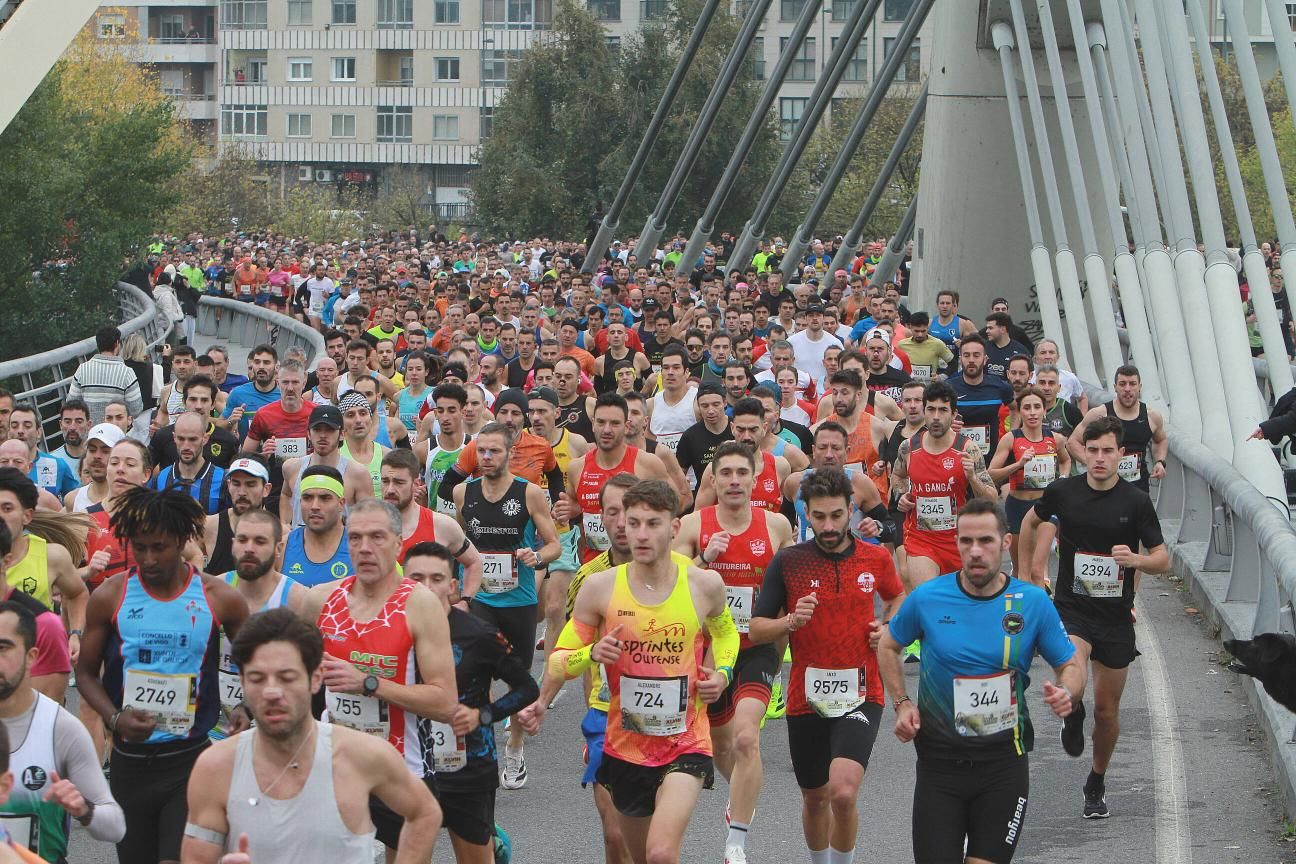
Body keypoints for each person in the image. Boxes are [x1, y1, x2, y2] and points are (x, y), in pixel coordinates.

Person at [524, 480, 736, 864]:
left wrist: (722, 672)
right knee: (636, 856)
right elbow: (559, 658)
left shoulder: (704, 585)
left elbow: (726, 634)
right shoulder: (599, 588)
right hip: (626, 744)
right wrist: (591, 653)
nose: (640, 533)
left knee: (660, 853)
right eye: (633, 522)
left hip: (686, 739)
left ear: (674, 528)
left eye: (652, 523)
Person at [879, 498, 1086, 864]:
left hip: (1003, 767)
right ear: (956, 542)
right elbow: (889, 645)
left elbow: (1070, 664)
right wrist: (902, 702)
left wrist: (1067, 691)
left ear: (1005, 542)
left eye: (986, 541)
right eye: (966, 541)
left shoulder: (1032, 602)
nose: (975, 551)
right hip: (939, 766)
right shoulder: (928, 598)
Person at [181, 607, 442, 864]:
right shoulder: (215, 768)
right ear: (243, 681)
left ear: (316, 678)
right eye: (258, 678)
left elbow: (424, 813)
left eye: (287, 677)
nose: (272, 691)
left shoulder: (362, 755)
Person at [75, 486, 248, 864]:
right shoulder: (110, 596)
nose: (149, 558)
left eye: (160, 547)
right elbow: (86, 674)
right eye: (140, 547)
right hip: (129, 762)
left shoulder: (219, 597)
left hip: (189, 760)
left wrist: (246, 705)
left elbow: (258, 660)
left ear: (183, 541)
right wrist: (115, 718)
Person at [749, 467, 904, 864]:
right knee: (816, 798)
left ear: (851, 509)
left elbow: (898, 598)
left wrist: (886, 627)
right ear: (806, 514)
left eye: (837, 515)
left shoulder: (875, 557)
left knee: (844, 791)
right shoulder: (788, 562)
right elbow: (756, 628)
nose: (829, 525)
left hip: (862, 690)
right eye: (819, 517)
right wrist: (788, 622)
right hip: (807, 697)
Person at [1018, 416, 1169, 819]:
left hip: (1116, 617)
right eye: (1093, 450)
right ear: (1082, 451)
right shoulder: (1063, 492)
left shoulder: (1135, 501)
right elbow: (1031, 521)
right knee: (1074, 665)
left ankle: (1096, 780)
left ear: (1122, 454)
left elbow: (1162, 559)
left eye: (1108, 451)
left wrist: (1136, 559)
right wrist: (1026, 573)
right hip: (1073, 608)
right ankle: (1071, 704)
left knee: (1107, 711)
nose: (1099, 459)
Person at [299, 497, 457, 861]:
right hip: (335, 763)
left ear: (399, 544)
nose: (365, 548)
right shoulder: (320, 600)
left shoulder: (420, 605)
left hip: (402, 768)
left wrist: (368, 683)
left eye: (377, 537)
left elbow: (445, 702)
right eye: (355, 538)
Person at [673, 443, 794, 864]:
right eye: (725, 473)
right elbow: (669, 581)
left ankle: (736, 842)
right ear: (713, 479)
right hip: (708, 654)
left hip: (756, 650)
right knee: (722, 749)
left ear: (756, 475)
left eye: (743, 472)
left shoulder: (776, 526)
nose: (735, 481)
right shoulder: (693, 524)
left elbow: (790, 589)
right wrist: (704, 558)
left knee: (747, 738)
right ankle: (739, 796)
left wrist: (783, 640)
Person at [404, 542, 539, 863]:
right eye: (416, 578)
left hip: (466, 768)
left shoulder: (479, 634)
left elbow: (526, 688)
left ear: (453, 587)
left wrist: (483, 715)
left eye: (436, 578)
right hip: (405, 767)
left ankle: (494, 846)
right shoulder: (391, 631)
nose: (425, 587)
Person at [453, 422, 561, 791]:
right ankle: (481, 743)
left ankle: (514, 745)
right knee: (474, 670)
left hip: (520, 601)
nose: (485, 458)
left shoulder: (529, 493)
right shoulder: (463, 493)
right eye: (481, 451)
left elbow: (554, 545)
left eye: (494, 451)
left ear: (508, 453)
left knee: (518, 676)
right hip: (482, 599)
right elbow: (463, 543)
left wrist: (537, 556)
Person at [0, 599, 125, 861]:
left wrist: (84, 809)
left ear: (31, 656)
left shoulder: (59, 728)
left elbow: (115, 826)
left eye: (3, 648)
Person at [210, 509, 306, 742]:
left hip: (273, 734)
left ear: (278, 548)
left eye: (260, 541)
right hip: (214, 732)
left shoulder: (297, 598)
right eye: (242, 540)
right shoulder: (216, 588)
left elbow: (306, 672)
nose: (249, 548)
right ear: (232, 545)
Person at [892, 382, 998, 589]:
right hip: (920, 538)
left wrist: (973, 479)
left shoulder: (968, 449)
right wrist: (902, 495)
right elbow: (897, 475)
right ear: (924, 410)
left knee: (959, 606)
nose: (936, 417)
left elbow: (991, 500)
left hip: (959, 541)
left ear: (954, 414)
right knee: (928, 597)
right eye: (931, 409)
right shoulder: (908, 447)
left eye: (943, 410)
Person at [567, 394, 670, 564]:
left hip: (638, 565)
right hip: (594, 565)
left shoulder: (648, 464)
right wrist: (569, 511)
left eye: (615, 423)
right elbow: (573, 507)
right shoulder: (576, 468)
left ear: (625, 425)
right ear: (593, 424)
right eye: (601, 422)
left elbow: (670, 511)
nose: (607, 430)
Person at [0, 468, 87, 666]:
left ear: (27, 516)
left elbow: (77, 594)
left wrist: (74, 634)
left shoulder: (51, 555)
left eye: (7, 509)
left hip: (38, 665)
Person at [988, 387, 1070, 575]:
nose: (1032, 412)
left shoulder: (1055, 439)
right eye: (1027, 408)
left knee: (1037, 569)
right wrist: (1018, 464)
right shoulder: (1011, 439)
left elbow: (1066, 460)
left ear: (1044, 410)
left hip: (1044, 506)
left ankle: (1042, 602)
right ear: (1020, 410)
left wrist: (1063, 479)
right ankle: (1018, 604)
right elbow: (991, 474)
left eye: (1036, 407)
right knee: (1020, 570)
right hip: (1017, 506)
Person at [380, 449, 482, 595]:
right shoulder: (368, 526)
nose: (390, 489)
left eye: (398, 482)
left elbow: (474, 562)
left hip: (426, 615)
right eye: (385, 481)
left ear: (416, 484)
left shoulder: (441, 525)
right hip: (384, 616)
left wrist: (465, 601)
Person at [1069, 365, 1167, 493]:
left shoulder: (1152, 416)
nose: (1127, 389)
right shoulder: (1099, 414)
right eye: (1122, 384)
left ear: (1139, 387)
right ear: (1115, 387)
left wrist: (1160, 462)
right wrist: (1092, 463)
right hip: (1103, 488)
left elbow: (1160, 440)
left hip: (1137, 488)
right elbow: (1073, 442)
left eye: (1132, 384)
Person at [279, 405, 373, 527]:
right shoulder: (291, 467)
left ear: (342, 434)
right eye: (317, 429)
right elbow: (286, 495)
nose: (323, 435)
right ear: (308, 433)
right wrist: (284, 524)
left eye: (330, 429)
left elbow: (370, 518)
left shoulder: (357, 473)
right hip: (300, 544)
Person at [280, 465, 352, 587]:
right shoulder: (282, 547)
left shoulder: (360, 548)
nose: (314, 506)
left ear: (341, 504)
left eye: (324, 498)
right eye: (307, 498)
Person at [946, 335, 1014, 456]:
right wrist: (947, 424)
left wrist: (1012, 434)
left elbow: (1016, 409)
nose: (971, 360)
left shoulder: (1000, 387)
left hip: (991, 458)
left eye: (976, 355)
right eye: (966, 355)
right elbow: (933, 417)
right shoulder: (947, 388)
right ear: (961, 359)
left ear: (985, 359)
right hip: (956, 456)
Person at [152, 413, 226, 515]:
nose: (186, 446)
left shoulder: (223, 481)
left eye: (192, 439)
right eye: (181, 439)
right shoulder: (159, 480)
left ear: (205, 438)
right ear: (174, 437)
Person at [67, 326, 144, 425]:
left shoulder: (82, 369)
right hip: (116, 433)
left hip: (90, 434)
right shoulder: (127, 372)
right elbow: (136, 409)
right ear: (117, 343)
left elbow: (71, 403)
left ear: (98, 344)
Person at [6, 407, 77, 502]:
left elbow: (75, 502)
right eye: (14, 426)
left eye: (27, 426)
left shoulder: (57, 465)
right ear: (9, 433)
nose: (20, 431)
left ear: (39, 432)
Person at [221, 345, 281, 442]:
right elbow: (219, 426)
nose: (261, 366)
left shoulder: (284, 395)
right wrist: (230, 421)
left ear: (276, 367)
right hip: (246, 455)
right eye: (257, 362)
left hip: (276, 454)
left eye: (266, 363)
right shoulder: (238, 393)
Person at [49, 400, 90, 479]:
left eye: (78, 421)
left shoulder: (99, 456)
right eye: (67, 422)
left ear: (88, 424)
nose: (72, 427)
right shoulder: (52, 461)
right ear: (61, 425)